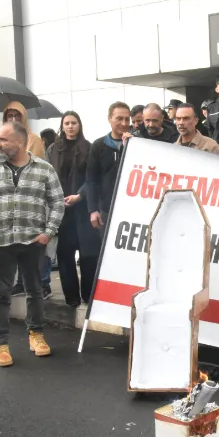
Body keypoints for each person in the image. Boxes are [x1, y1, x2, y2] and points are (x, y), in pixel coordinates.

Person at [0, 119, 64, 367]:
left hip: (33, 241)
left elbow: (57, 202)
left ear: (20, 142)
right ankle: (0, 344)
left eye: (2, 139)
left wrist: (49, 232)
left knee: (34, 290)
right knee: (1, 294)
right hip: (0, 242)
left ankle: (36, 335)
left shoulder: (44, 169)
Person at [47, 111, 100, 307]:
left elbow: (93, 178)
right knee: (65, 255)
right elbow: (48, 175)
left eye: (74, 123)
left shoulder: (89, 147)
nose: (70, 126)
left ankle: (88, 295)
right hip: (62, 209)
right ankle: (71, 298)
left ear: (79, 125)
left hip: (84, 207)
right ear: (62, 126)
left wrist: (80, 195)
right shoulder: (53, 149)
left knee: (88, 255)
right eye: (67, 123)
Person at [4, 102, 51, 297]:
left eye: (17, 115)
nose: (13, 119)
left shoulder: (34, 140)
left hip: (33, 199)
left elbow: (38, 168)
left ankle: (43, 282)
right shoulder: (1, 141)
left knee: (38, 244)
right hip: (12, 201)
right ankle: (22, 281)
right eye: (10, 116)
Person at [86, 101, 131, 232]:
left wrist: (127, 145)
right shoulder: (98, 145)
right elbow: (91, 180)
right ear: (109, 119)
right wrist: (93, 210)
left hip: (131, 209)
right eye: (119, 119)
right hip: (106, 209)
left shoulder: (136, 143)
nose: (124, 123)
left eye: (127, 119)